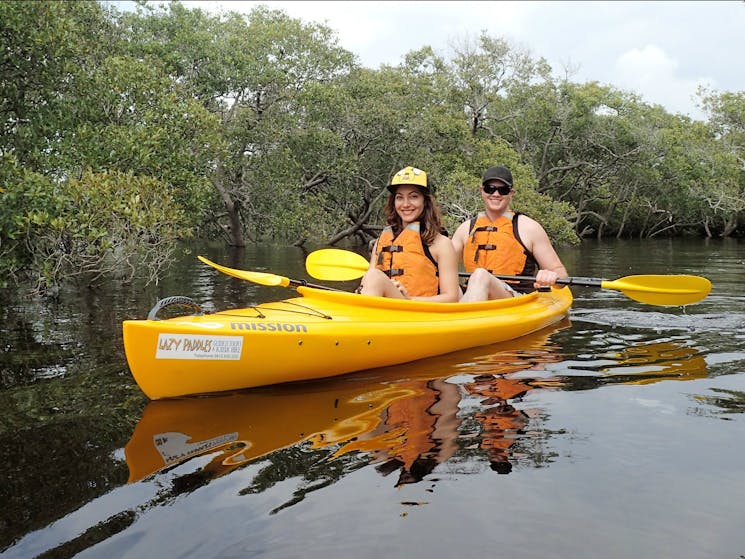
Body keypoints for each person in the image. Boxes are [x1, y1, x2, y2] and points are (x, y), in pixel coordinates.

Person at [452, 165, 568, 302]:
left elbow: (562, 276)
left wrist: (551, 276)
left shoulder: (529, 228)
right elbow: (441, 265)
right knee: (444, 283)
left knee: (480, 275)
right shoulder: (465, 229)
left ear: (511, 193)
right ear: (482, 191)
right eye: (490, 189)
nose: (496, 194)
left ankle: (464, 318)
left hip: (514, 299)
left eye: (503, 190)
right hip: (472, 293)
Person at [358, 166, 460, 302]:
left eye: (413, 197)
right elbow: (369, 277)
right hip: (386, 308)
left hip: (420, 313)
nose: (406, 204)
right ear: (394, 202)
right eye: (400, 198)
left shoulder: (442, 244)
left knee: (374, 277)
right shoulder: (382, 240)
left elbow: (451, 297)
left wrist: (410, 299)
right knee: (372, 276)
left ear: (425, 200)